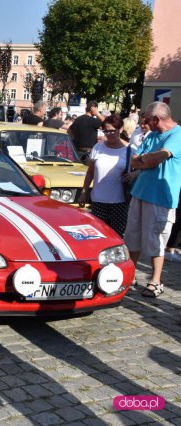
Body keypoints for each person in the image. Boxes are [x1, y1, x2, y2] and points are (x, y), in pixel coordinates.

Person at [124, 102, 181, 298]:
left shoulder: (177, 135)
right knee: (132, 237)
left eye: (146, 119)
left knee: (156, 240)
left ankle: (155, 281)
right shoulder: (153, 136)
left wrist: (146, 160)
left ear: (157, 119)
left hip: (160, 198)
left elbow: (157, 158)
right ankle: (130, 276)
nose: (144, 122)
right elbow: (135, 160)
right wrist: (146, 160)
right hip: (140, 193)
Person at [78, 114, 134, 236]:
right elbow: (90, 173)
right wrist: (84, 192)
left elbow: (142, 169)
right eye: (106, 131)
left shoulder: (130, 149)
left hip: (120, 201)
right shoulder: (98, 147)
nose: (109, 134)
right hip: (98, 199)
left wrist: (133, 175)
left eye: (112, 131)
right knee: (99, 235)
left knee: (117, 236)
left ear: (120, 129)